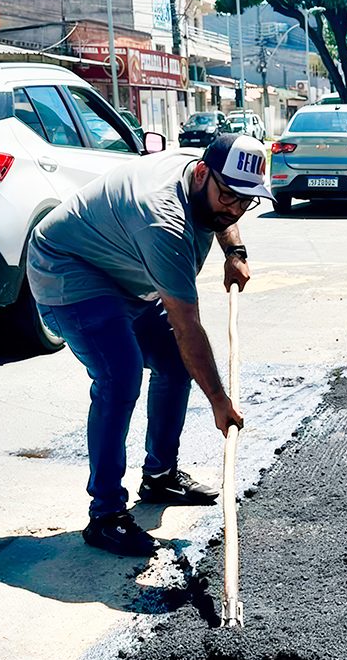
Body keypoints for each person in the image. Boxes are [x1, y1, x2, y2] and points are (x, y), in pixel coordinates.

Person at [26, 134, 272, 556]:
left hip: (125, 273)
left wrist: (235, 250)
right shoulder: (164, 222)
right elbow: (186, 325)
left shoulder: (205, 181)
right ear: (202, 174)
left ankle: (159, 476)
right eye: (228, 196)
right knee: (119, 377)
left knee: (175, 366)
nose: (233, 208)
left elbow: (224, 209)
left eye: (245, 201)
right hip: (68, 270)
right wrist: (219, 400)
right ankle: (105, 516)